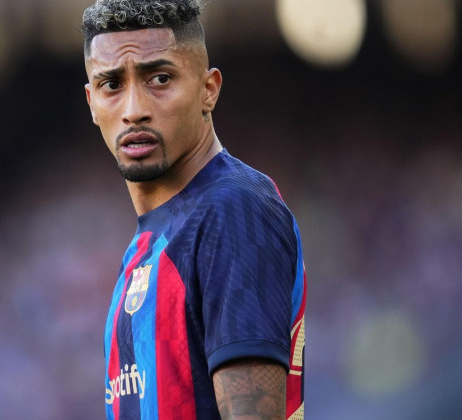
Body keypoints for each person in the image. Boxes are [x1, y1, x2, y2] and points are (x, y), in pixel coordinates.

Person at [81, 1, 306, 419]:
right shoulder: (150, 242)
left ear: (209, 89)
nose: (134, 110)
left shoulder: (232, 210)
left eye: (160, 78)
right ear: (92, 103)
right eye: (112, 85)